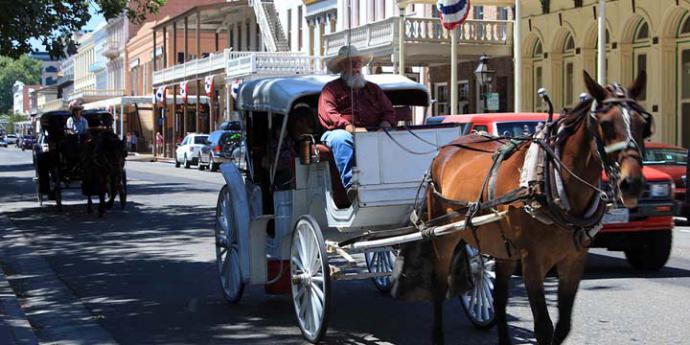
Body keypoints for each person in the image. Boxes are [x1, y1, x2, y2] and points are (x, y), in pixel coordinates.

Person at [317, 45, 396, 193]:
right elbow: (328, 114)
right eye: (351, 63)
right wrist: (350, 128)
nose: (356, 67)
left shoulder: (373, 89)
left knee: (395, 137)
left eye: (358, 63)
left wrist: (384, 126)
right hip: (339, 131)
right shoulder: (330, 89)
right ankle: (351, 187)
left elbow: (388, 111)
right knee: (341, 139)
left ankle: (394, 183)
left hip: (373, 131)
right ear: (342, 67)